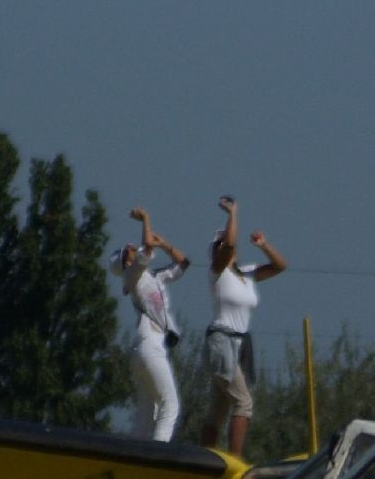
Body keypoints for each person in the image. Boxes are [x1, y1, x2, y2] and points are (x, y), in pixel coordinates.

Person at [201, 195, 285, 456]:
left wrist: (264, 245)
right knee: (243, 402)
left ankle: (205, 457)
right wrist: (232, 215)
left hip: (238, 345)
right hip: (221, 341)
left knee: (220, 405)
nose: (227, 247)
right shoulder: (218, 272)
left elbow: (280, 266)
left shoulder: (246, 273)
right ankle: (234, 460)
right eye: (221, 244)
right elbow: (230, 243)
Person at [112, 207, 188, 442]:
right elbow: (146, 248)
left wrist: (165, 245)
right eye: (129, 251)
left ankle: (135, 457)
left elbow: (183, 263)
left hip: (145, 348)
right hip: (150, 346)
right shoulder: (131, 276)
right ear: (125, 262)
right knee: (170, 405)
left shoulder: (153, 276)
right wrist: (145, 220)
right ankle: (158, 456)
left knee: (147, 411)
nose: (133, 249)